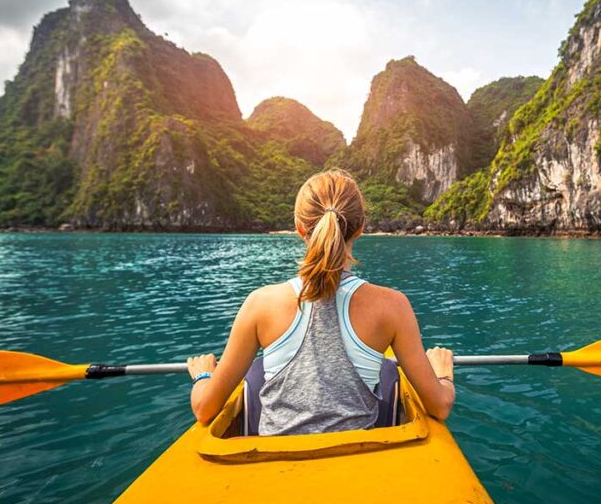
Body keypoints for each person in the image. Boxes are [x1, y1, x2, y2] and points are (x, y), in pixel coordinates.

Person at [186, 168, 456, 435]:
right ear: (360, 227)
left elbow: (204, 408)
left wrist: (203, 376)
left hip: (274, 468)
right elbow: (440, 407)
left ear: (299, 228)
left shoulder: (260, 304)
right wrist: (442, 374)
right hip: (355, 467)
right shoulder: (392, 306)